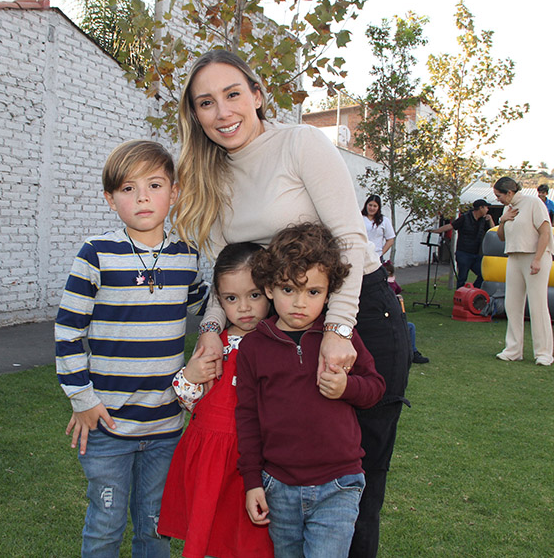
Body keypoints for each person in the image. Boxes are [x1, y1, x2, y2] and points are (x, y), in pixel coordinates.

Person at [172, 49, 412, 557]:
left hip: (355, 312)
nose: (223, 111)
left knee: (354, 487)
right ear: (195, 115)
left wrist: (339, 331)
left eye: (233, 94)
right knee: (286, 478)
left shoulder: (301, 143)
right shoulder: (209, 175)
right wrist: (212, 328)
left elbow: (349, 240)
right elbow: (221, 272)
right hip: (281, 329)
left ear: (257, 96)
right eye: (206, 103)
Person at [55, 140, 208, 558]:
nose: (142, 197)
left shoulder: (186, 256)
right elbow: (68, 332)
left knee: (156, 528)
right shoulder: (96, 254)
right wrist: (82, 399)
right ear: (110, 199)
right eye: (127, 188)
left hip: (165, 426)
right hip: (108, 425)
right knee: (105, 528)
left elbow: (207, 306)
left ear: (173, 193)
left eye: (155, 185)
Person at [237, 222, 385, 557]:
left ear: (330, 292)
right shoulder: (253, 348)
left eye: (313, 292)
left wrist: (347, 387)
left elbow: (376, 387)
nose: (300, 303)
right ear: (270, 288)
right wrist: (252, 482)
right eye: (289, 290)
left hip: (339, 483)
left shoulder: (341, 338)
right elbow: (246, 417)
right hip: (278, 486)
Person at [159, 243, 274, 558]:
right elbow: (189, 399)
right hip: (209, 454)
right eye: (232, 299)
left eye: (254, 295)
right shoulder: (215, 344)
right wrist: (192, 375)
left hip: (251, 457)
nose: (245, 307)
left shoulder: (275, 345)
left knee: (249, 539)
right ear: (219, 301)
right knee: (209, 534)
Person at [492, 176, 554, 366]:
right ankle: (513, 349)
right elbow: (501, 237)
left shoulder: (534, 203)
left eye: (499, 195)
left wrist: (537, 259)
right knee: (512, 304)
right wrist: (502, 220)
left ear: (510, 192)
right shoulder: (507, 208)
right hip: (514, 257)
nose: (498, 199)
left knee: (537, 305)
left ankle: (544, 353)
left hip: (535, 257)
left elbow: (545, 232)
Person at [428, 199, 495, 289]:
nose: (487, 210)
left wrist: (490, 220)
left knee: (484, 274)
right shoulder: (465, 218)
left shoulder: (483, 220)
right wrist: (436, 231)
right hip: (464, 253)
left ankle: (473, 291)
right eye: (486, 207)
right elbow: (451, 226)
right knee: (462, 278)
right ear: (480, 208)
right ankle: (459, 295)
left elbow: (493, 231)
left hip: (476, 254)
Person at [384, 262, 429, 364]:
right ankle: (412, 352)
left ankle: (412, 352)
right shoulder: (388, 287)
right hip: (385, 322)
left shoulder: (384, 287)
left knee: (409, 326)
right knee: (409, 327)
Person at [362, 194, 395, 262]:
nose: (372, 208)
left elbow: (390, 239)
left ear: (378, 207)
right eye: (370, 205)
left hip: (376, 258)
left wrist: (380, 253)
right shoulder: (359, 218)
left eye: (375, 206)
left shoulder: (384, 220)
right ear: (366, 205)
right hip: (361, 256)